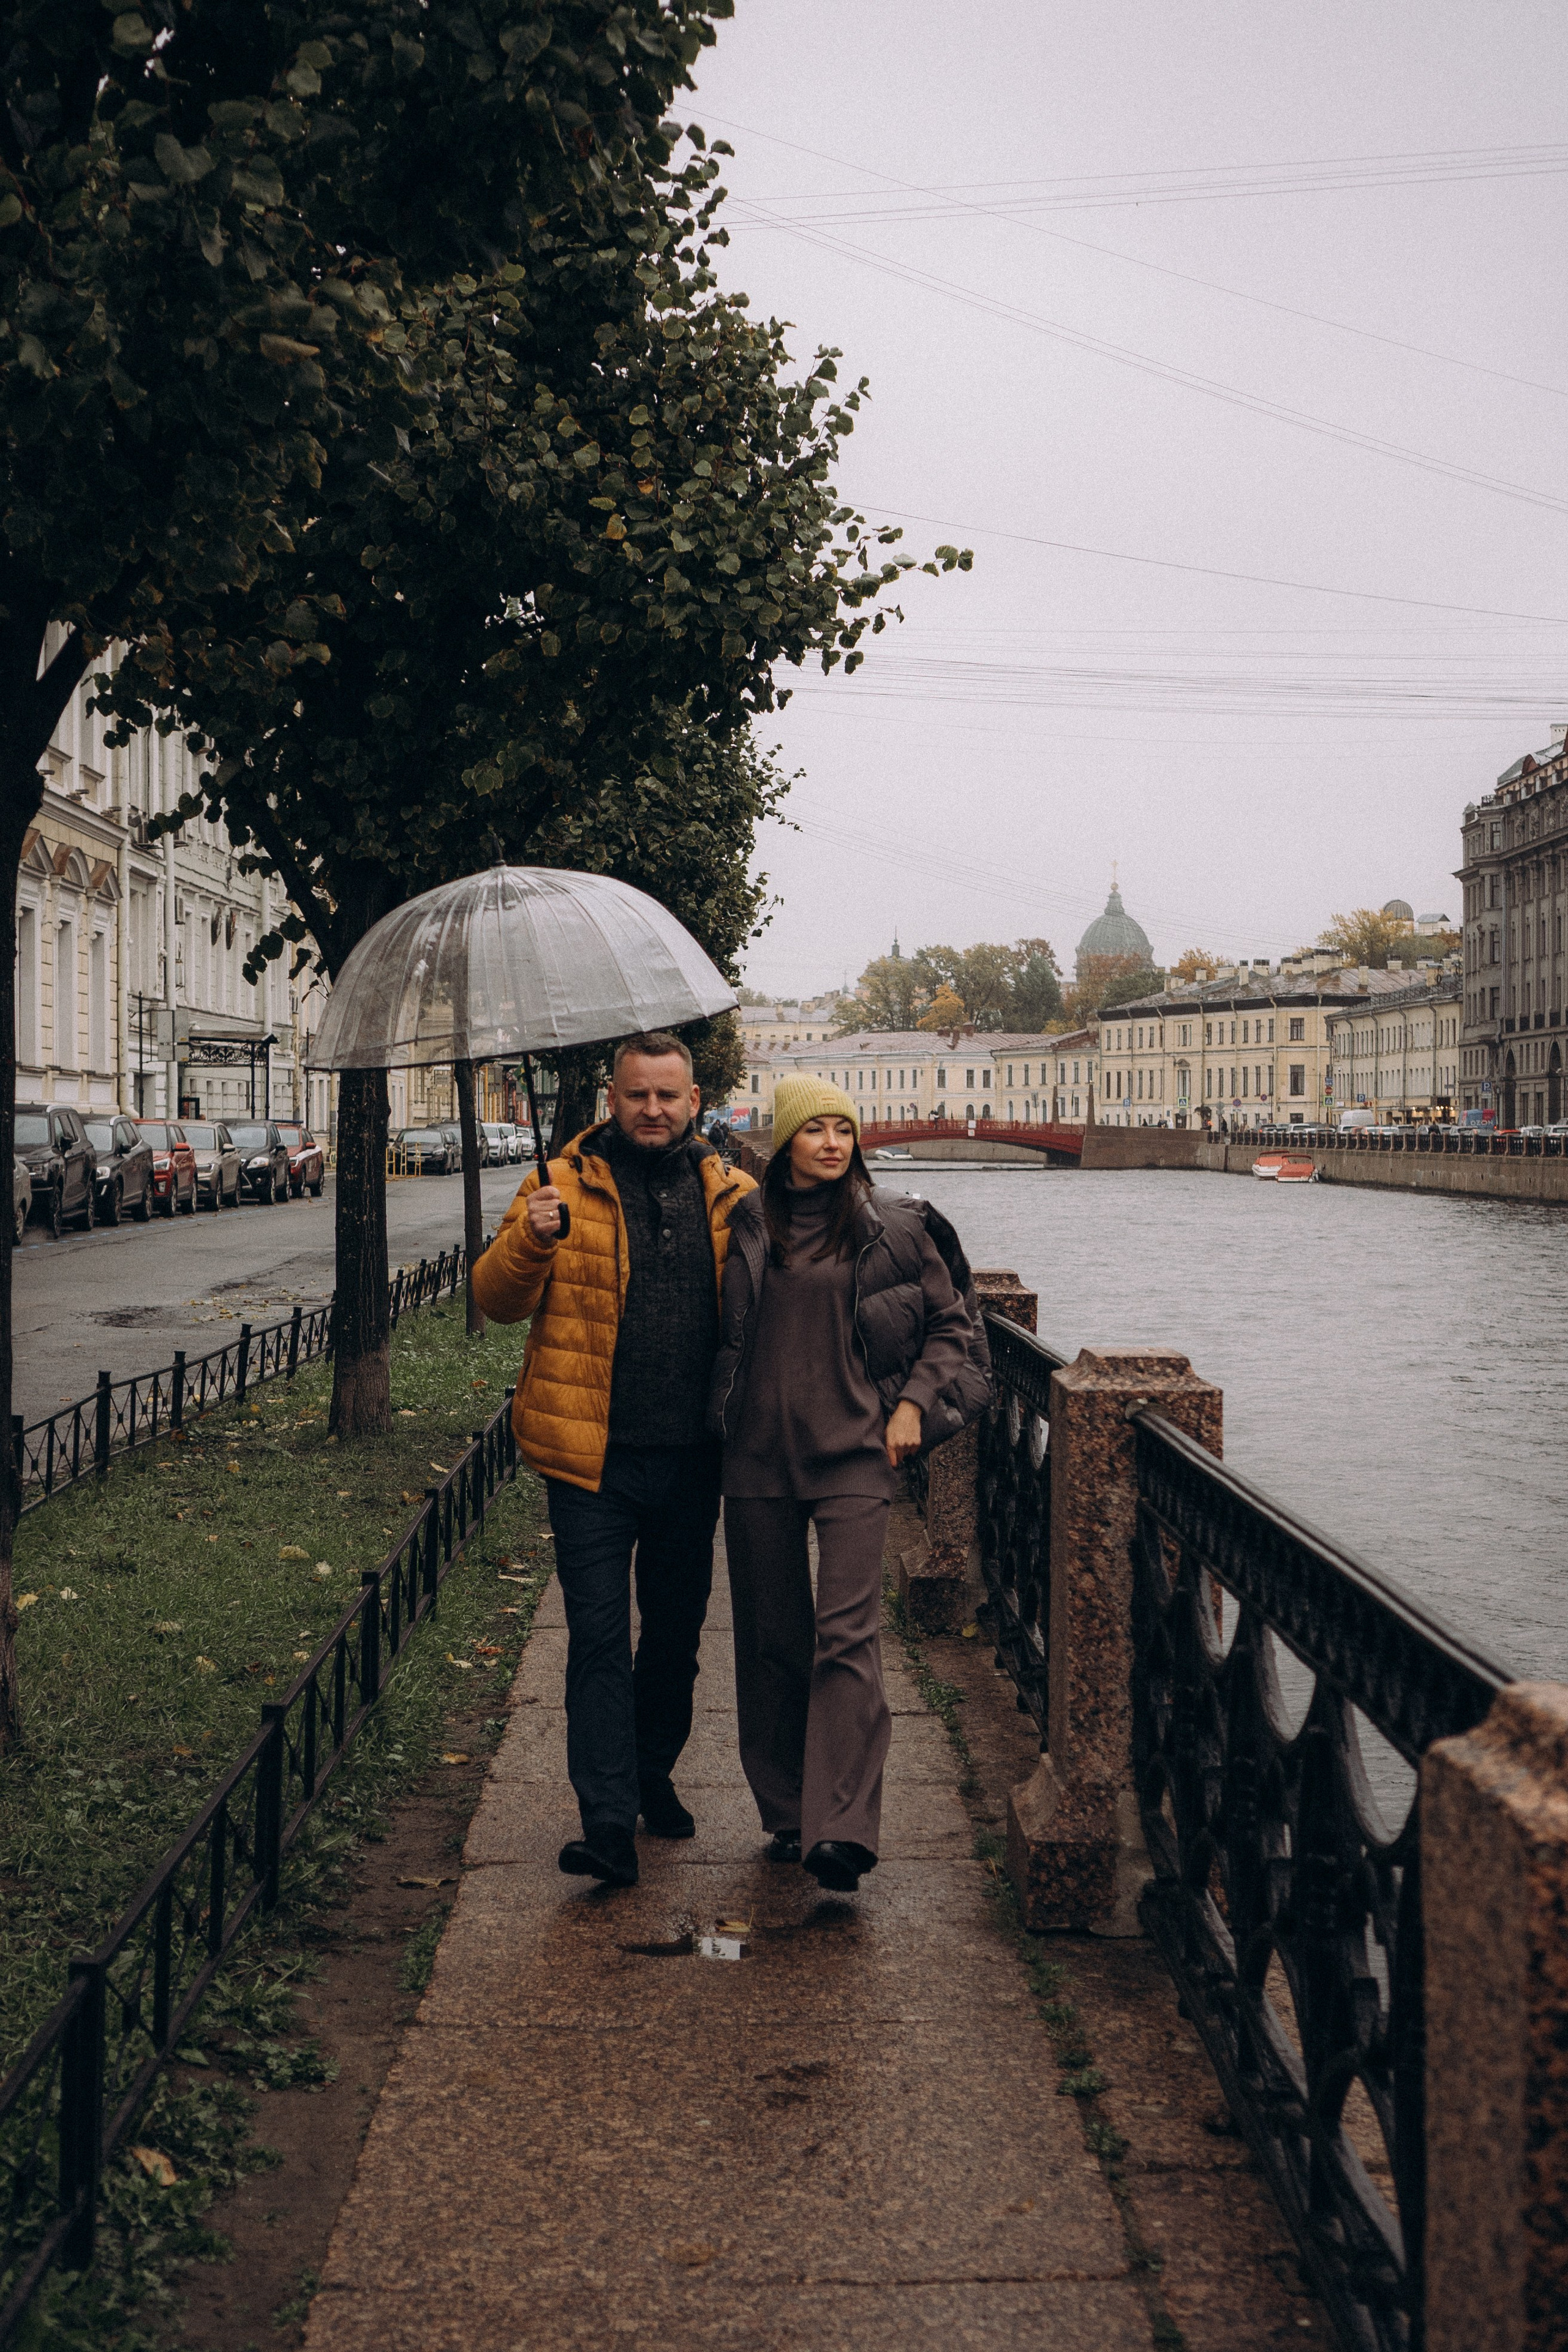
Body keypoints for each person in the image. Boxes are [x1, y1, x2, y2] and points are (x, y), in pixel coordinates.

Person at [473, 1033, 754, 1889]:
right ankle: (606, 1825)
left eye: (668, 1096)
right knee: (597, 1637)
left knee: (673, 1637)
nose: (653, 1110)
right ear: (613, 1099)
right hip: (589, 1457)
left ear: (694, 1099)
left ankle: (650, 1774)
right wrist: (531, 1237)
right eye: (638, 1095)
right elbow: (495, 1300)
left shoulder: (734, 1195)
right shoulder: (558, 1185)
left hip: (692, 1459)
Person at [709, 1076, 990, 1894]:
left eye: (843, 1129)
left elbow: (952, 1325)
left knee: (846, 1637)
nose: (831, 1143)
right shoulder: (747, 1223)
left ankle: (842, 1830)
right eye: (814, 1129)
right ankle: (788, 1812)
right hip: (757, 1458)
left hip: (856, 1456)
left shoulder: (894, 1227)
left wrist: (909, 1406)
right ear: (785, 1141)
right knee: (769, 1639)